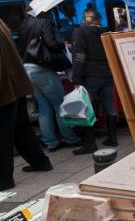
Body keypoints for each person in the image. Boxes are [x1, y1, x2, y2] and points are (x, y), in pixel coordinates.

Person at [1, 19, 53, 190]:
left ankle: (4, 180)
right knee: (21, 129)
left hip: (5, 88)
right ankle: (40, 162)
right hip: (16, 83)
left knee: (4, 135)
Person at [18, 10, 81, 151]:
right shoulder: (43, 21)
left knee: (43, 108)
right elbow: (51, 43)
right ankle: (71, 138)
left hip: (28, 67)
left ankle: (51, 142)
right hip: (42, 67)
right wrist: (62, 44)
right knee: (59, 104)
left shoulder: (25, 24)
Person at [70, 9, 117, 154]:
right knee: (109, 105)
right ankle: (112, 138)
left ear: (85, 20)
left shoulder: (80, 32)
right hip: (108, 73)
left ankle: (90, 144)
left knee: (87, 108)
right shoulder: (107, 32)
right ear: (98, 19)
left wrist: (76, 78)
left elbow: (79, 56)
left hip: (90, 74)